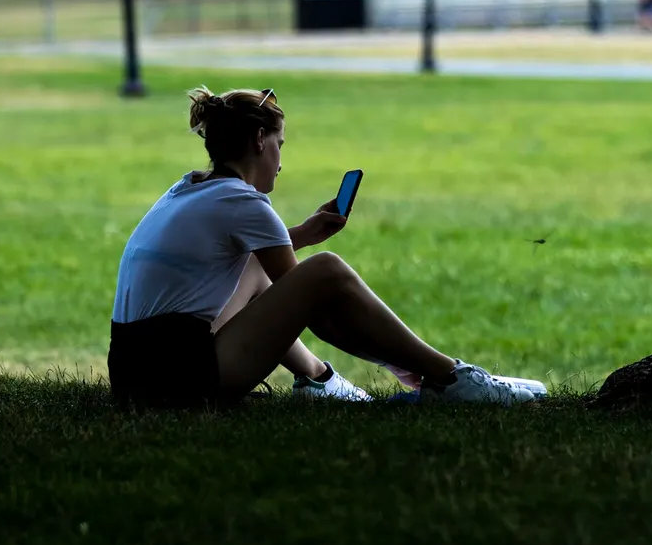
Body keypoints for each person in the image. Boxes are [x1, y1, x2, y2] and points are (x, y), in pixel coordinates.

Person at [106, 85, 543, 410]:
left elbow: (228, 264)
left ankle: (319, 379)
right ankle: (453, 378)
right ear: (260, 141)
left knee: (263, 269)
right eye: (279, 145)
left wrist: (302, 234)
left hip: (135, 376)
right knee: (327, 271)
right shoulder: (245, 203)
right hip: (180, 383)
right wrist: (397, 360)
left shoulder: (190, 189)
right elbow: (311, 302)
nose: (281, 159)